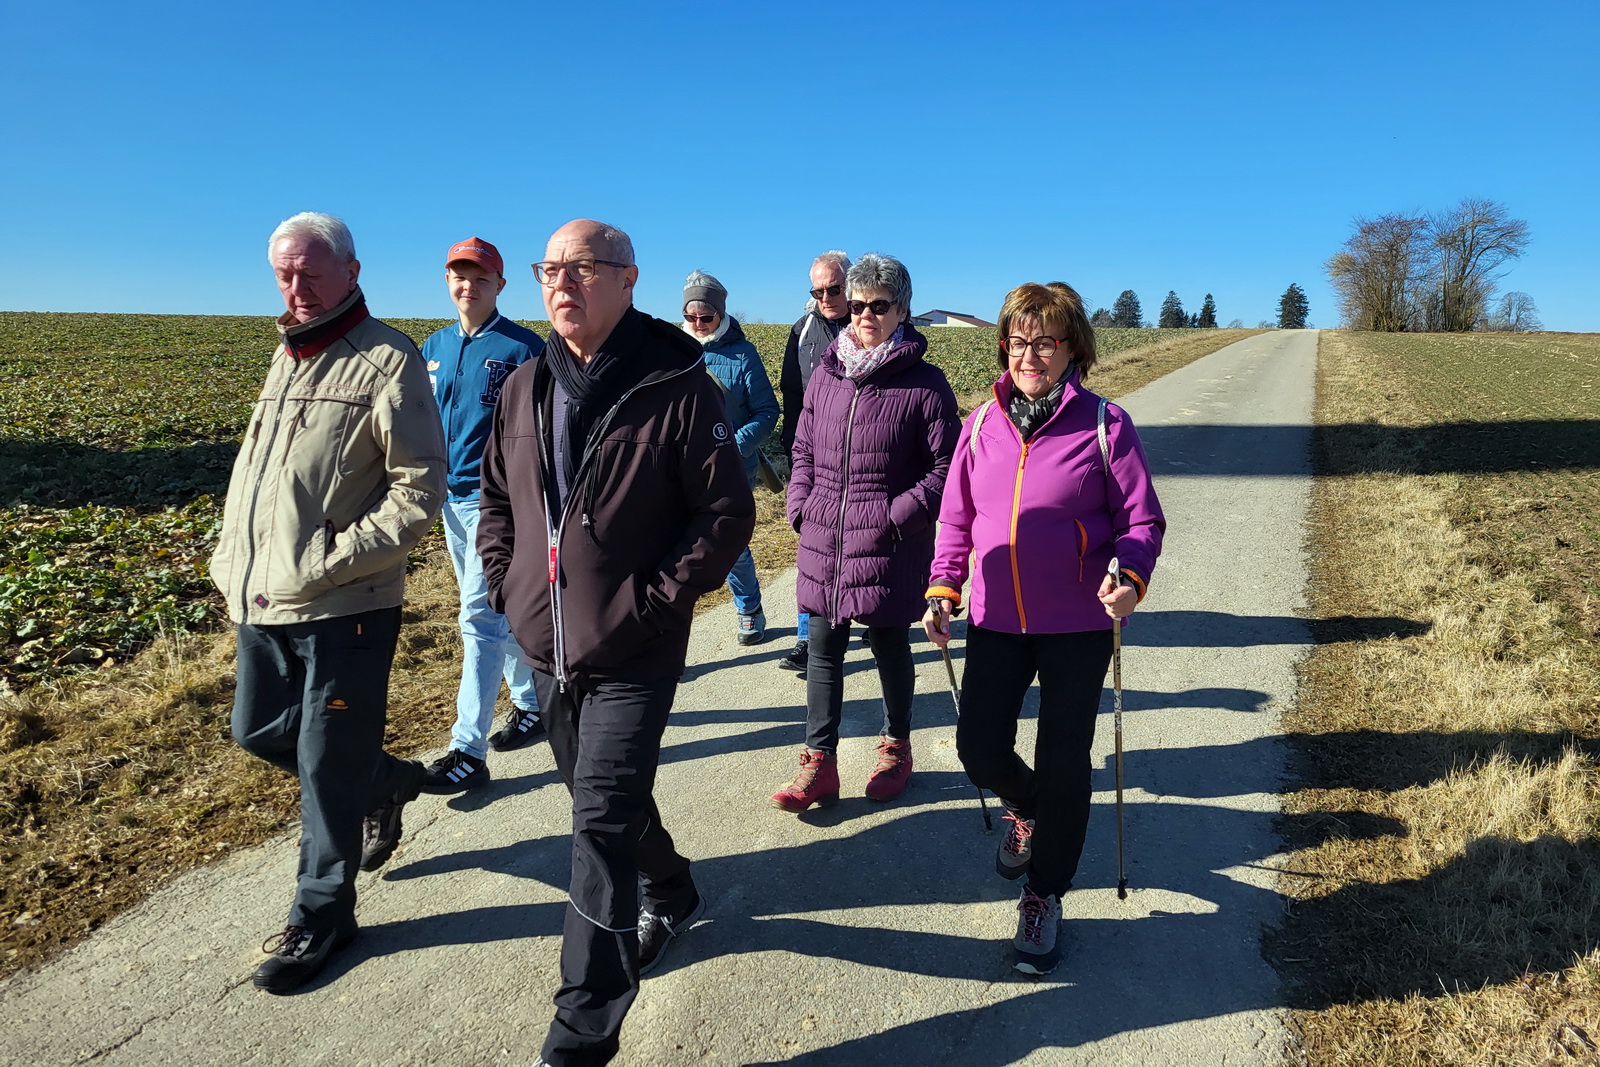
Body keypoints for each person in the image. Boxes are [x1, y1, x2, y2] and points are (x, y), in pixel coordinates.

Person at [477, 220, 754, 1067]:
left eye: (583, 268)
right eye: (550, 269)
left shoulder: (678, 384)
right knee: (608, 798)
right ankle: (671, 887)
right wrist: (507, 588)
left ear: (628, 279)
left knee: (596, 819)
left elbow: (726, 516)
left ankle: (580, 1032)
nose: (562, 282)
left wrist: (656, 602)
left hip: (636, 644)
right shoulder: (523, 385)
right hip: (547, 646)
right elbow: (496, 500)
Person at [209, 212, 446, 992]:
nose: (295, 288)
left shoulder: (387, 359)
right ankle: (382, 779)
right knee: (255, 731)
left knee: (321, 757)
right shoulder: (285, 358)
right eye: (283, 273)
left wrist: (330, 559)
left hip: (346, 603)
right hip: (262, 598)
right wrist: (232, 559)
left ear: (350, 270)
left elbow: (419, 490)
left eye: (310, 272)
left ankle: (323, 914)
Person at [922, 281, 1165, 976]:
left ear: (1071, 348)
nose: (1030, 354)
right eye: (1019, 340)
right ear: (1006, 344)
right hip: (997, 617)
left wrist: (1131, 576)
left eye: (1046, 341)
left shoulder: (1104, 425)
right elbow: (957, 520)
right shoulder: (980, 425)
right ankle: (1029, 809)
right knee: (978, 748)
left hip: (1078, 624)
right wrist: (944, 585)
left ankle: (1044, 892)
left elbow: (1141, 521)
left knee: (1065, 761)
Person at [772, 253, 959, 812]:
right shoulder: (828, 375)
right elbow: (800, 447)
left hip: (887, 542)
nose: (865, 316)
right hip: (825, 535)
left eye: (879, 306)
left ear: (902, 309)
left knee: (888, 644)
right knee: (824, 647)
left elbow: (948, 469)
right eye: (857, 306)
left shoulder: (926, 385)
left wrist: (895, 516)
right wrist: (799, 504)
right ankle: (818, 764)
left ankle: (896, 748)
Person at [417, 237, 546, 794]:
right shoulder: (435, 346)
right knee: (498, 612)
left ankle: (466, 748)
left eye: (478, 276)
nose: (466, 284)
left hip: (497, 503)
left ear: (499, 284)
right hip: (448, 499)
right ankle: (532, 703)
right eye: (457, 274)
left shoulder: (523, 348)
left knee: (478, 618)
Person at [680, 269, 780, 645]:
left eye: (707, 317)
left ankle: (749, 608)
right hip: (684, 468)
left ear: (721, 315)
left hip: (733, 466)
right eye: (691, 317)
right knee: (680, 546)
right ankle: (675, 627)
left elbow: (767, 412)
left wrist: (731, 447)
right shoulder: (676, 351)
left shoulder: (743, 355)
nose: (699, 324)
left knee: (730, 543)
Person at [773, 250, 852, 676]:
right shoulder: (802, 331)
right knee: (812, 549)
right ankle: (809, 638)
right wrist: (792, 455)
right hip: (816, 458)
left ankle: (875, 621)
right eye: (817, 290)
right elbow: (793, 398)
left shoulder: (870, 323)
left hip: (864, 460)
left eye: (833, 288)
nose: (825, 297)